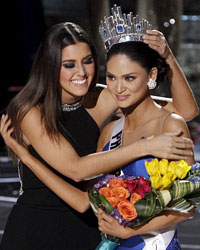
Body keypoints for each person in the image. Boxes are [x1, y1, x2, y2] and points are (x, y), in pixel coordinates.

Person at [0, 19, 197, 250]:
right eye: (69, 65)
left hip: (88, 227)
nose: (81, 72)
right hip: (37, 228)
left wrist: (168, 57)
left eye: (87, 61)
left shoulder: (100, 99)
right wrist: (147, 146)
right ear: (51, 66)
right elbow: (76, 169)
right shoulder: (31, 111)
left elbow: (186, 110)